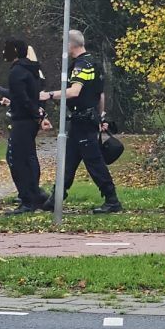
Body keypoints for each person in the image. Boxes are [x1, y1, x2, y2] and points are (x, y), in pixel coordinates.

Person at [42, 30, 123, 214]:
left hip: (83, 121)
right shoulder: (94, 63)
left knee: (94, 162)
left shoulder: (81, 65)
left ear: (71, 45)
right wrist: (101, 115)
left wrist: (49, 95)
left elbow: (74, 92)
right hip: (85, 119)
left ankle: (112, 199)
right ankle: (56, 197)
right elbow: (100, 94)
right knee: (68, 161)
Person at [0, 39, 52, 215]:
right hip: (30, 121)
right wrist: (38, 115)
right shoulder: (32, 70)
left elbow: (22, 98)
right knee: (27, 157)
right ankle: (35, 195)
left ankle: (27, 200)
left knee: (16, 160)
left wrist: (34, 113)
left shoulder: (17, 72)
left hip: (22, 121)